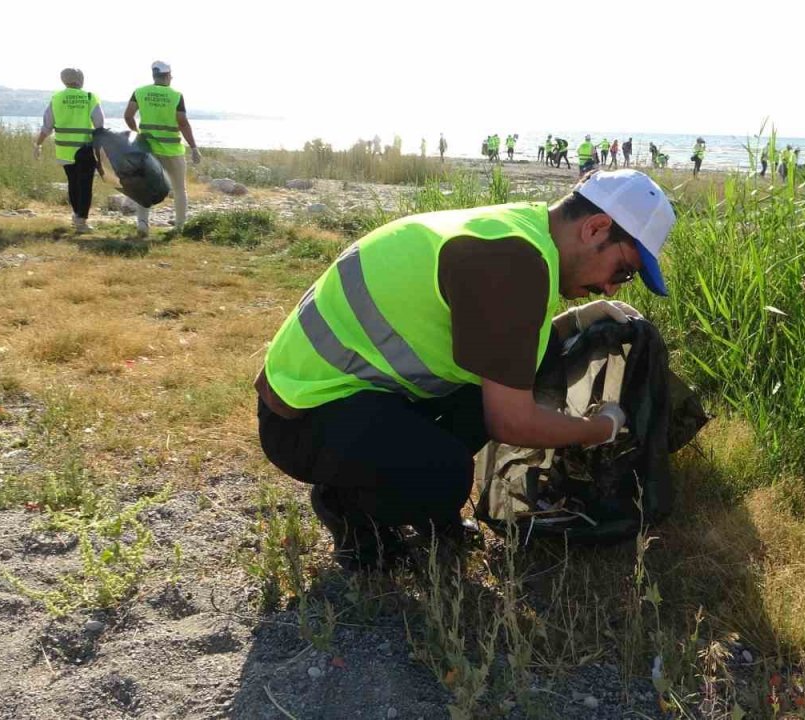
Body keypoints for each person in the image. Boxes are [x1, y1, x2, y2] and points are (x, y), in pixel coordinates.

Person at [255, 169, 677, 569]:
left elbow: (499, 331)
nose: (611, 287)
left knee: (540, 349)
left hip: (359, 394)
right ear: (595, 228)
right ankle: (348, 504)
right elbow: (511, 421)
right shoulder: (514, 263)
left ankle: (401, 478)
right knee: (446, 477)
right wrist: (600, 429)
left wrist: (571, 324)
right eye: (622, 271)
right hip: (302, 416)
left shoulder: (523, 231)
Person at [124, 61, 202, 237]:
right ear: (168, 76)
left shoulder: (140, 92)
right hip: (172, 150)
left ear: (154, 75)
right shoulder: (176, 95)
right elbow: (182, 122)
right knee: (179, 189)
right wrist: (194, 147)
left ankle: (143, 225)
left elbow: (128, 115)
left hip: (148, 150)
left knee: (145, 187)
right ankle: (180, 227)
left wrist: (137, 134)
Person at [34, 68, 104, 234]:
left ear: (64, 80)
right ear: (81, 79)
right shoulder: (89, 97)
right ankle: (81, 221)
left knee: (73, 183)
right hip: (85, 150)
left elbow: (47, 126)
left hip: (65, 150)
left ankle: (76, 215)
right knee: (85, 185)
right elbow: (100, 124)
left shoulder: (57, 98)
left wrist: (38, 144)